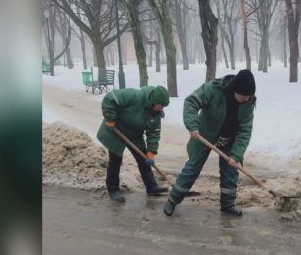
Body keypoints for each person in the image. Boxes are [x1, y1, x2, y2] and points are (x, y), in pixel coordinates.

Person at [164, 70, 256, 217]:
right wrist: (192, 125)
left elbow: (245, 130)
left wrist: (236, 154)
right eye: (244, 95)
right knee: (192, 168)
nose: (246, 99)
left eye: (248, 96)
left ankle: (228, 204)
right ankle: (172, 200)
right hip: (204, 134)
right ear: (235, 90)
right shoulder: (214, 89)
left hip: (229, 139)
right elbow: (191, 101)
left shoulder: (248, 102)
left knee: (231, 172)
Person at [96, 85, 170, 202]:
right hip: (116, 130)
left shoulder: (156, 114)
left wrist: (151, 152)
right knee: (115, 160)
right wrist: (110, 118)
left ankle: (152, 187)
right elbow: (112, 97)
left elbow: (154, 134)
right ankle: (113, 190)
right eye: (160, 106)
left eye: (163, 107)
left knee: (143, 159)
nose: (161, 109)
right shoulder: (135, 96)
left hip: (135, 134)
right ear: (153, 101)